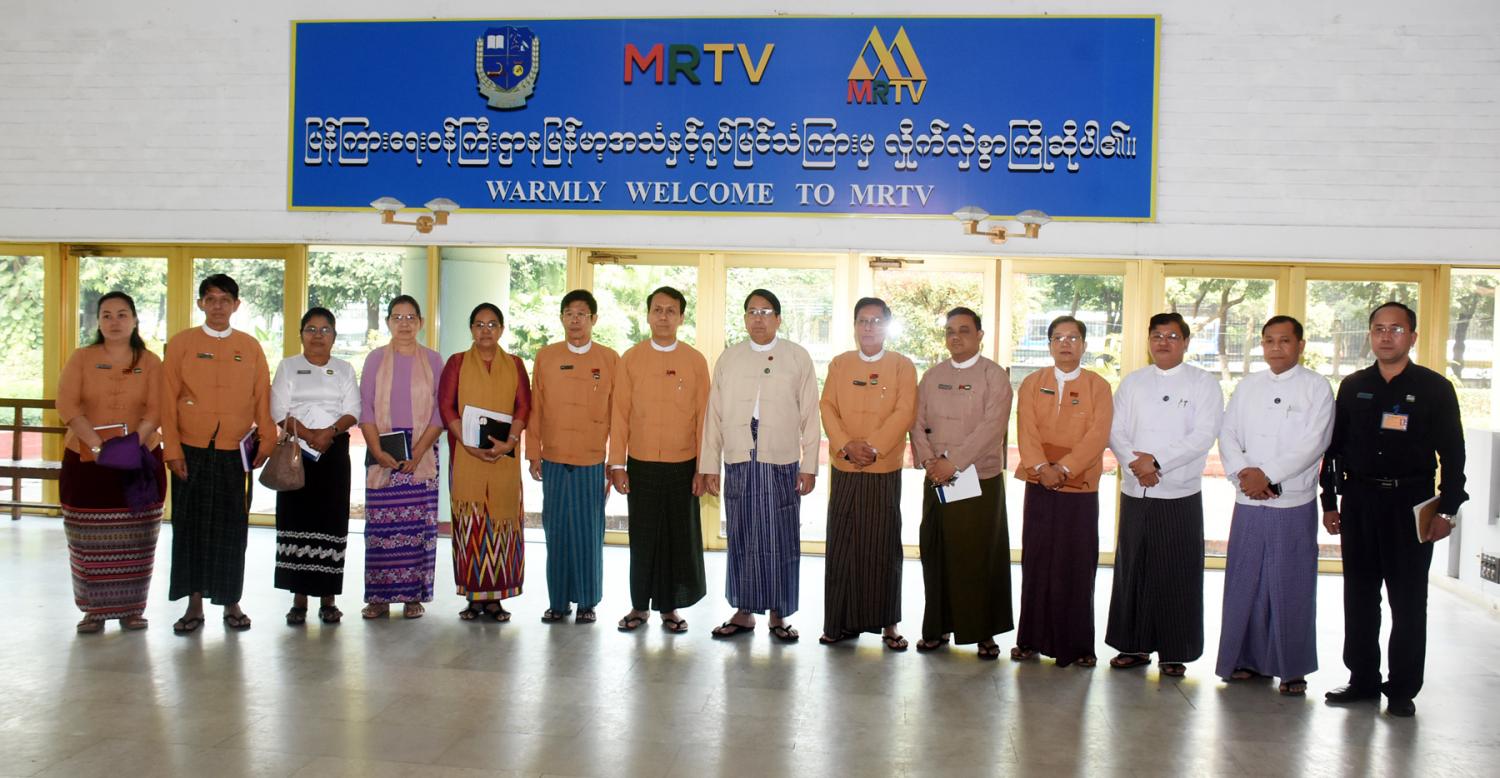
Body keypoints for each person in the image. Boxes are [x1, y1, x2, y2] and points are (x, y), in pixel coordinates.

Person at [1321, 301, 1466, 718]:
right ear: (1370, 335)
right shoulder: (1353, 386)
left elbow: (1453, 454)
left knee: (1408, 600)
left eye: (1396, 329)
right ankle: (1362, 679)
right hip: (1360, 501)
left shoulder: (1435, 388)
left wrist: (1447, 510)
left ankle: (1402, 688)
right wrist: (1329, 501)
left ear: (1412, 337)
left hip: (1410, 504)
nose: (1387, 336)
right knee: (1359, 596)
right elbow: (1335, 449)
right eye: (1379, 329)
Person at [1215, 315, 1333, 695]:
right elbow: (1228, 434)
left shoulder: (1316, 387)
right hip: (1248, 498)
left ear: (1300, 345)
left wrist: (1267, 474)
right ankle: (1244, 660)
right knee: (1244, 582)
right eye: (1269, 341)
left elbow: (1315, 442)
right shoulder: (1248, 386)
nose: (1276, 348)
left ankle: (1291, 668)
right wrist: (1244, 475)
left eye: (1285, 340)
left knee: (1290, 585)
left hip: (1292, 500)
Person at [1106, 312, 1224, 677]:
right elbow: (1115, 430)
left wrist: (1156, 462)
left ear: (1186, 342)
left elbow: (1203, 435)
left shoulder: (1203, 383)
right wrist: (1136, 465)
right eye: (1157, 335)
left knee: (1177, 571)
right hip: (1137, 490)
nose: (1163, 342)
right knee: (1134, 569)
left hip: (1179, 492)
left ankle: (1174, 651)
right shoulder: (1133, 382)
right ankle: (1133, 645)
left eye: (1172, 336)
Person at [701, 289, 820, 643]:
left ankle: (779, 614)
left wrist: (809, 465)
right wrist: (710, 464)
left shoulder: (797, 357)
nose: (758, 318)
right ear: (744, 318)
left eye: (766, 312)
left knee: (782, 536)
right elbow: (713, 415)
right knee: (741, 535)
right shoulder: (730, 358)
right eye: (752, 311)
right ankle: (743, 611)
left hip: (781, 459)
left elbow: (811, 414)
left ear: (778, 319)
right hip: (740, 457)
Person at [161, 274, 276, 633]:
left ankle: (231, 602)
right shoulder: (182, 344)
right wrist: (172, 449)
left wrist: (267, 441)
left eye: (225, 299)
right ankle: (193, 605)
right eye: (210, 299)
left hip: (235, 453)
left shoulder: (250, 347)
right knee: (190, 528)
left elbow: (263, 396)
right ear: (200, 304)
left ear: (236, 305)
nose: (217, 306)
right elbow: (166, 399)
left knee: (232, 529)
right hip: (191, 451)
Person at [56, 291, 166, 633]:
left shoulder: (150, 361)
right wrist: (96, 444)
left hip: (140, 459)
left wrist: (132, 444)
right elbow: (67, 405)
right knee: (87, 537)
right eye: (106, 315)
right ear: (98, 322)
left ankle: (133, 609)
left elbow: (157, 408)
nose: (114, 321)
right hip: (86, 460)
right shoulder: (81, 358)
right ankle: (94, 610)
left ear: (134, 320)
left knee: (137, 538)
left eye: (122, 314)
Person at [911, 307, 1013, 659]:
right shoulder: (932, 376)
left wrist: (952, 463)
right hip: (936, 478)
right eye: (950, 331)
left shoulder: (993, 376)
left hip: (977, 479)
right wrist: (930, 461)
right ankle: (937, 627)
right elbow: (916, 422)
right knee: (937, 553)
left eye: (964, 330)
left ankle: (982, 632)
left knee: (977, 557)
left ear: (980, 335)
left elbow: (992, 427)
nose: (956, 337)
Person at [1011, 315, 1113, 667]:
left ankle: (1078, 646)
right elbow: (1026, 430)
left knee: (1076, 564)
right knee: (1037, 562)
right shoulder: (1032, 383)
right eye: (1058, 337)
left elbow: (1097, 435)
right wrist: (1042, 469)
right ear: (1049, 345)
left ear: (1084, 345)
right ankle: (1030, 640)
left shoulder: (1098, 386)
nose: (1065, 344)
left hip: (1080, 488)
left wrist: (1065, 468)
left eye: (1072, 338)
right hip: (1040, 484)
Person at [818, 297, 917, 650]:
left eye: (876, 321)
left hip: (882, 467)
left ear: (886, 326)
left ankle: (888, 624)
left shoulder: (902, 366)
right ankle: (839, 623)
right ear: (855, 326)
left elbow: (905, 411)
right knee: (842, 545)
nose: (869, 327)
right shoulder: (840, 364)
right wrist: (846, 444)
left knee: (882, 545)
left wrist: (873, 447)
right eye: (863, 320)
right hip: (846, 465)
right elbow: (827, 406)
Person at [610, 287, 711, 633]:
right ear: (648, 315)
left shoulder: (694, 360)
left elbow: (704, 418)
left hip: (684, 464)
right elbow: (619, 414)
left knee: (677, 537)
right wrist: (617, 464)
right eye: (657, 309)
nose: (664, 316)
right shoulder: (631, 358)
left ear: (681, 318)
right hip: (641, 463)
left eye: (671, 311)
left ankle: (670, 607)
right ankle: (639, 606)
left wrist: (703, 468)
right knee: (643, 537)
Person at [527, 289, 619, 624]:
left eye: (582, 314)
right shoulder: (546, 356)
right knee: (556, 531)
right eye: (569, 313)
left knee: (587, 532)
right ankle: (558, 602)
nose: (575, 320)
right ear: (562, 318)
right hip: (552, 458)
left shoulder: (609, 359)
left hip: (591, 461)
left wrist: (615, 461)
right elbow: (536, 408)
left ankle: (587, 601)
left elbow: (618, 415)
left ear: (594, 319)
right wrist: (533, 453)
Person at [438, 303, 530, 622]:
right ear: (471, 329)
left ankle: (496, 600)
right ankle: (473, 598)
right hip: (467, 459)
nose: (485, 330)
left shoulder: (515, 364)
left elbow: (524, 406)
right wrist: (467, 442)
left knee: (502, 527)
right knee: (471, 525)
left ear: (501, 329)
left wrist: (511, 441)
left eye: (492, 324)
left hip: (505, 458)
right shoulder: (457, 363)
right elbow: (446, 407)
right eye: (479, 324)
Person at [269, 307, 361, 626]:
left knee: (331, 521)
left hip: (333, 454)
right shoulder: (288, 366)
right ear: (301, 335)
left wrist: (328, 433)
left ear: (334, 336)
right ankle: (298, 599)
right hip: (297, 452)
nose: (318, 335)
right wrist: (309, 435)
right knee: (296, 520)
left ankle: (328, 598)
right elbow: (278, 410)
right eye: (311, 329)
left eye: (325, 330)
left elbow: (354, 410)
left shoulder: (344, 369)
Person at [358, 295, 445, 620]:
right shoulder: (375, 359)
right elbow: (365, 408)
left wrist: (419, 451)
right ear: (388, 323)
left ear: (420, 322)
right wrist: (378, 451)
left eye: (411, 317)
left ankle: (413, 597)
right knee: (380, 529)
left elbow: (440, 411)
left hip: (422, 450)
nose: (404, 324)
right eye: (397, 317)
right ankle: (378, 598)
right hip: (383, 447)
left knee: (418, 528)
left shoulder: (434, 360)